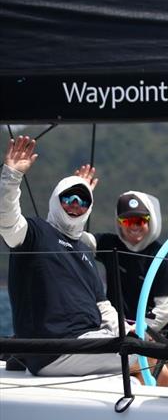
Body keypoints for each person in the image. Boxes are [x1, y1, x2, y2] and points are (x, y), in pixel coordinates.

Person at [0, 136, 123, 376]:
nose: (75, 205)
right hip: (54, 350)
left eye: (83, 200)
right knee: (141, 357)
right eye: (68, 198)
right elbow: (7, 220)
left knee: (146, 349)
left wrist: (128, 334)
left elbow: (104, 306)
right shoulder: (34, 233)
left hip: (86, 342)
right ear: (56, 200)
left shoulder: (84, 250)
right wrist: (11, 176)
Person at [91, 191, 168, 335]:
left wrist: (138, 329)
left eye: (140, 221)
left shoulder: (163, 257)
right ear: (119, 223)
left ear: (150, 221)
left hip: (152, 335)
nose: (134, 227)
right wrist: (85, 198)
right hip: (116, 331)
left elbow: (164, 309)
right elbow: (76, 241)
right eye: (127, 221)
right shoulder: (108, 244)